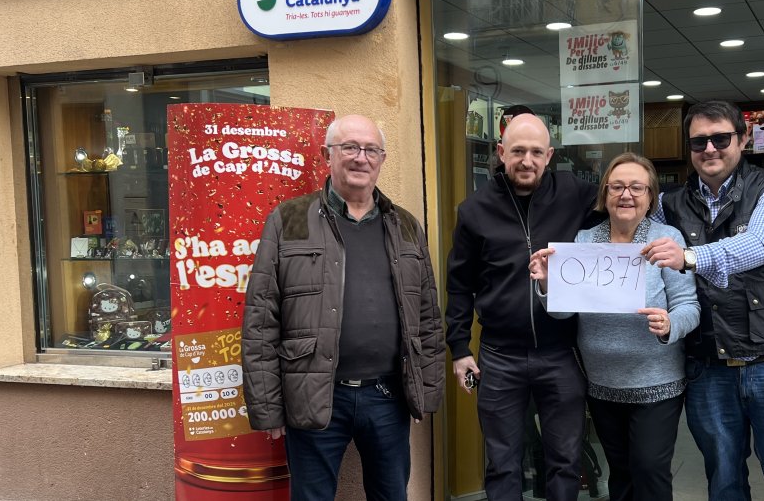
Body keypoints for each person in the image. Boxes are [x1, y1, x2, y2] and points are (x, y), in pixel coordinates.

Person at [241, 115, 445, 501]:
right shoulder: (289, 221)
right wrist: (268, 407)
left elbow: (428, 316)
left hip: (388, 397)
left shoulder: (404, 225)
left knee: (391, 495)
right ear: (327, 155)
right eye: (349, 147)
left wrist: (426, 392)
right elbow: (260, 320)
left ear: (382, 159)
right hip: (314, 395)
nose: (360, 158)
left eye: (371, 150)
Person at [642, 100, 764, 501]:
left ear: (743, 139)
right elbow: (638, 243)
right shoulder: (668, 204)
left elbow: (760, 245)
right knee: (723, 485)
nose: (709, 149)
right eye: (698, 141)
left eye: (720, 139)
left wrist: (689, 257)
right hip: (708, 365)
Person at [445, 113, 600, 501]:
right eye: (517, 151)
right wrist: (460, 349)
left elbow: (625, 203)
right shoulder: (474, 210)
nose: (526, 160)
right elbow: (459, 285)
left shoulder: (576, 194)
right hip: (500, 357)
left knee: (565, 461)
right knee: (502, 463)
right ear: (501, 152)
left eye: (535, 152)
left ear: (549, 155)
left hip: (562, 352)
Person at [529, 152, 700, 501]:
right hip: (603, 384)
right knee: (619, 475)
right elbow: (563, 314)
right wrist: (548, 284)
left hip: (657, 383)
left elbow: (689, 306)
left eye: (637, 187)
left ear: (650, 197)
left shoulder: (666, 240)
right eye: (617, 186)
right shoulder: (584, 241)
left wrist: (671, 323)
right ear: (604, 194)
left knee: (649, 470)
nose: (626, 195)